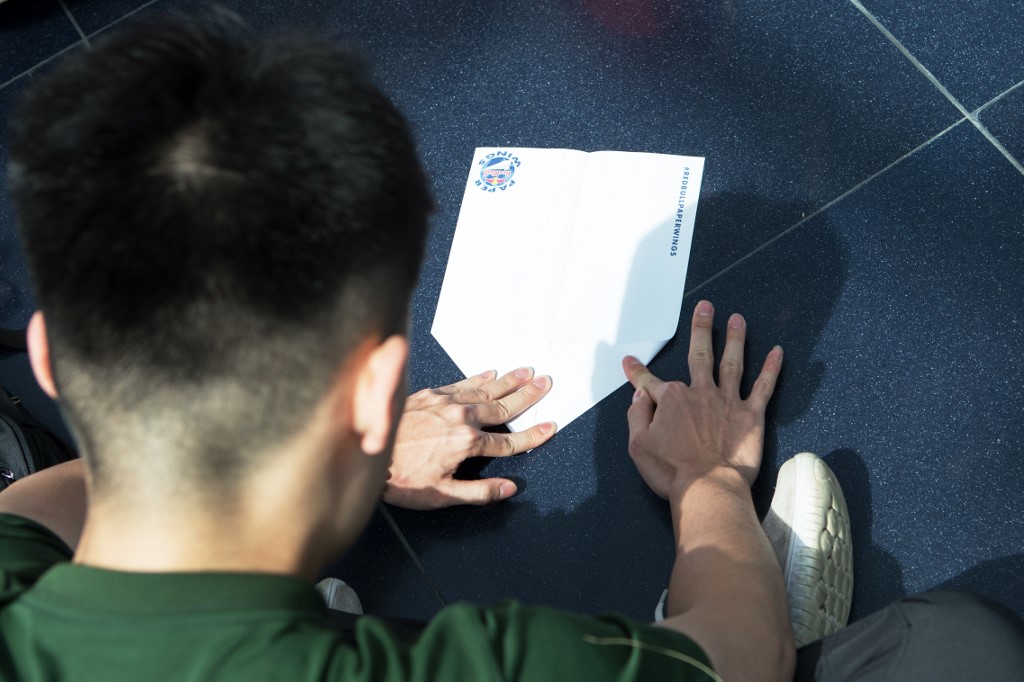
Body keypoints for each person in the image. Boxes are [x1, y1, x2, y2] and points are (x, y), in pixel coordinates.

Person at [2, 12, 1023, 682]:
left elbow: (21, 508)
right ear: (370, 392)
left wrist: (303, 445)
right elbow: (734, 657)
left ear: (51, 359)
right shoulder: (483, 665)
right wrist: (710, 486)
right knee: (959, 649)